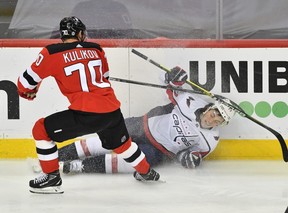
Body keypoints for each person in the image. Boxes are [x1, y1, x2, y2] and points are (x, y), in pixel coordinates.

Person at [17, 16, 160, 194]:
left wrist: (31, 91)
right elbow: (105, 77)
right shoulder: (96, 49)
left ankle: (52, 178)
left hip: (86, 113)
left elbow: (24, 84)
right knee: (123, 145)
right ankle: (146, 172)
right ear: (79, 33)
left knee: (41, 129)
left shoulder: (51, 53)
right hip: (112, 110)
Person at [54, 66, 236, 174]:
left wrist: (188, 159)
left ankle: (79, 166)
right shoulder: (191, 100)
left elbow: (189, 156)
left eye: (219, 121)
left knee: (134, 162)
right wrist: (173, 77)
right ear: (210, 107)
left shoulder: (210, 142)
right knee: (104, 140)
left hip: (158, 151)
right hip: (141, 125)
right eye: (215, 113)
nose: (213, 120)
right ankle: (54, 156)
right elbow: (169, 84)